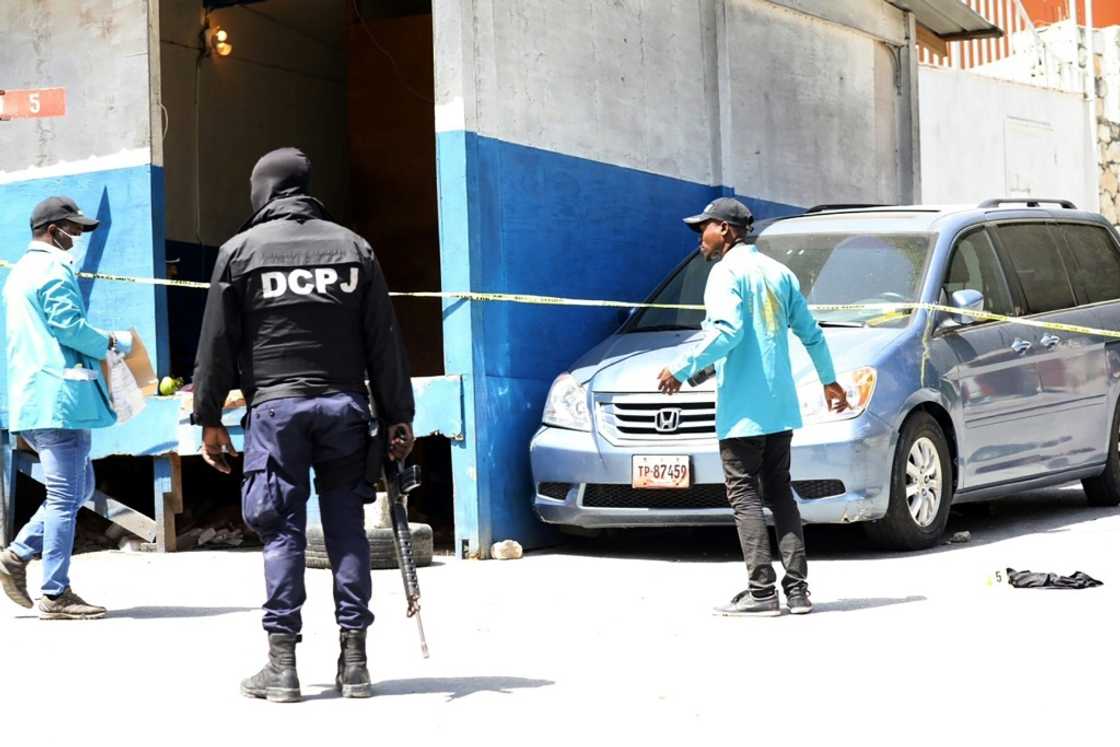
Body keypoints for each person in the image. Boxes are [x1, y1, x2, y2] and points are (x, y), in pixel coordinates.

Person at [192, 147, 415, 703]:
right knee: (347, 531)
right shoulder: (354, 247)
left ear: (264, 188)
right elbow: (383, 340)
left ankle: (282, 667)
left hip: (276, 414)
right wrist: (398, 414)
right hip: (344, 409)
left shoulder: (240, 251)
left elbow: (216, 344)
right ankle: (355, 663)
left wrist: (208, 418)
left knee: (281, 532)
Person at [657, 197, 849, 617]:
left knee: (743, 494)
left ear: (724, 230)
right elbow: (811, 333)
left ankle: (761, 592)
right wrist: (829, 380)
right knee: (781, 494)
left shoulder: (725, 273)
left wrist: (680, 367)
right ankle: (797, 592)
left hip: (743, 412)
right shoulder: (779, 273)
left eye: (704, 228)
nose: (700, 238)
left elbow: (727, 331)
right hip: (779, 407)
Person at [0, 196, 132, 620]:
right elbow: (69, 327)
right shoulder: (54, 269)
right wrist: (111, 341)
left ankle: (17, 555)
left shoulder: (20, 273)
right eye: (73, 229)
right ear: (52, 230)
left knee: (79, 488)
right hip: (60, 399)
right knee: (64, 496)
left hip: (34, 399)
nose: (76, 236)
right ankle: (55, 593)